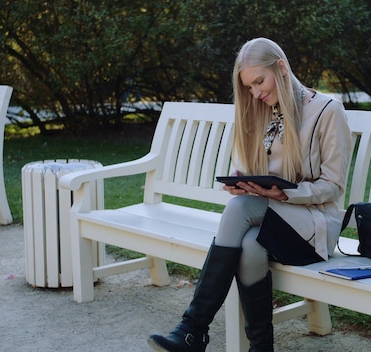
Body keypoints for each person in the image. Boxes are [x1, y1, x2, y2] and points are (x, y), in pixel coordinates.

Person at [148, 37, 352, 352]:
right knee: (248, 245)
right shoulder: (260, 111)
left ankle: (193, 329)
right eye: (249, 87)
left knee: (241, 209)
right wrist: (241, 181)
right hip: (272, 222)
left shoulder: (327, 110)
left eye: (260, 81)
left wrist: (285, 194)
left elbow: (334, 186)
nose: (256, 93)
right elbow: (245, 168)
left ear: (281, 67)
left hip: (316, 226)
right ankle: (259, 347)